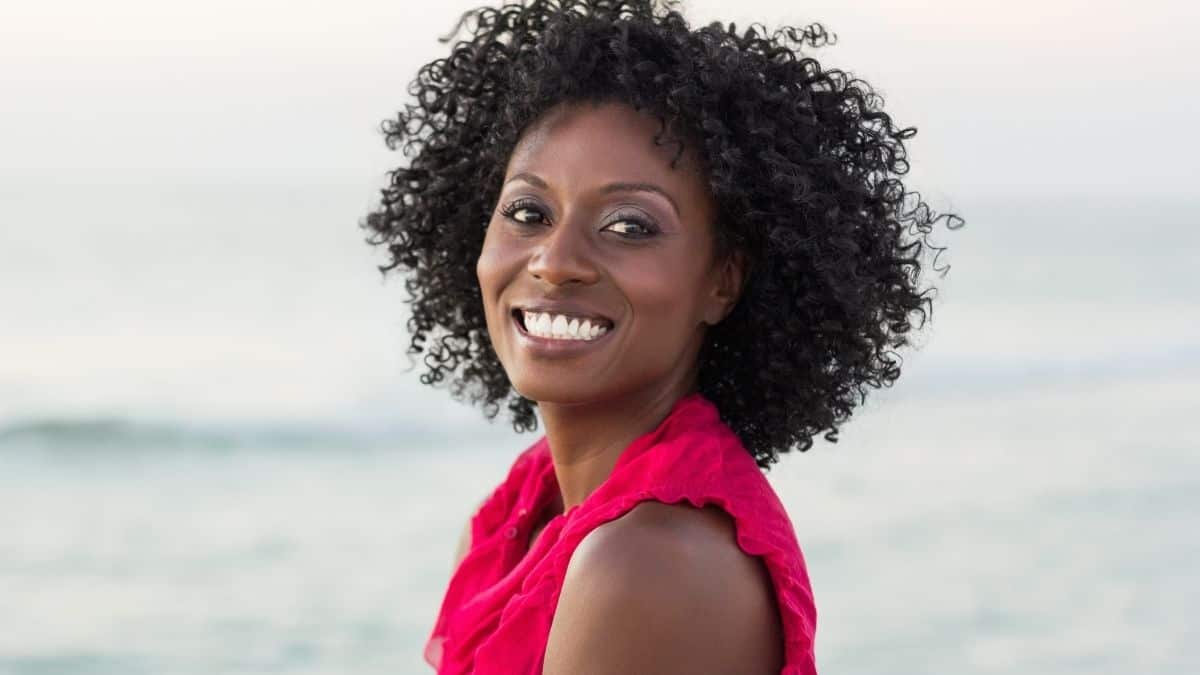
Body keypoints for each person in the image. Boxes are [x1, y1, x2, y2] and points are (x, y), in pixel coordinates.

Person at [363, 1, 962, 673]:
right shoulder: (523, 513)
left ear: (723, 282)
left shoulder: (649, 562)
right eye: (528, 212)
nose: (554, 260)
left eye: (629, 225)